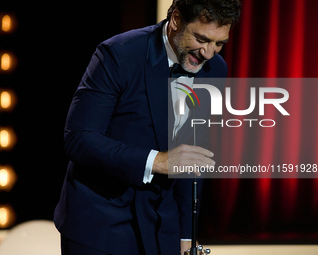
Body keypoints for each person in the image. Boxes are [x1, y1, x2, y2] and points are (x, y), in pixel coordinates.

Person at [54, 0, 241, 254]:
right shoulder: (118, 54)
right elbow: (78, 139)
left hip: (161, 224)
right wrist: (158, 161)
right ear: (176, 19)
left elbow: (191, 158)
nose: (209, 53)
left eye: (219, 43)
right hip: (99, 221)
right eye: (202, 39)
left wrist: (187, 234)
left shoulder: (214, 70)